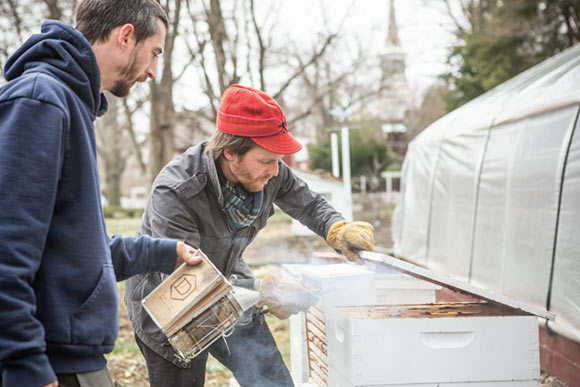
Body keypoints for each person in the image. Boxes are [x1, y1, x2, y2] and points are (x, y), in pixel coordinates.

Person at [0, 1, 202, 387]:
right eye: (154, 53)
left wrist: (164, 252)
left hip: (73, 359)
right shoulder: (40, 101)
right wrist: (26, 363)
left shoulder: (69, 105)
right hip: (51, 364)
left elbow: (72, 249)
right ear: (126, 36)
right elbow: (6, 250)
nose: (153, 72)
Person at [124, 84, 375, 386]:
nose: (275, 170)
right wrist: (262, 290)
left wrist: (336, 228)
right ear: (230, 151)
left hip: (232, 281)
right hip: (172, 305)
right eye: (267, 161)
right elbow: (184, 280)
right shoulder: (177, 191)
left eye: (278, 160)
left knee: (271, 379)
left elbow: (308, 204)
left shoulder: (271, 170)